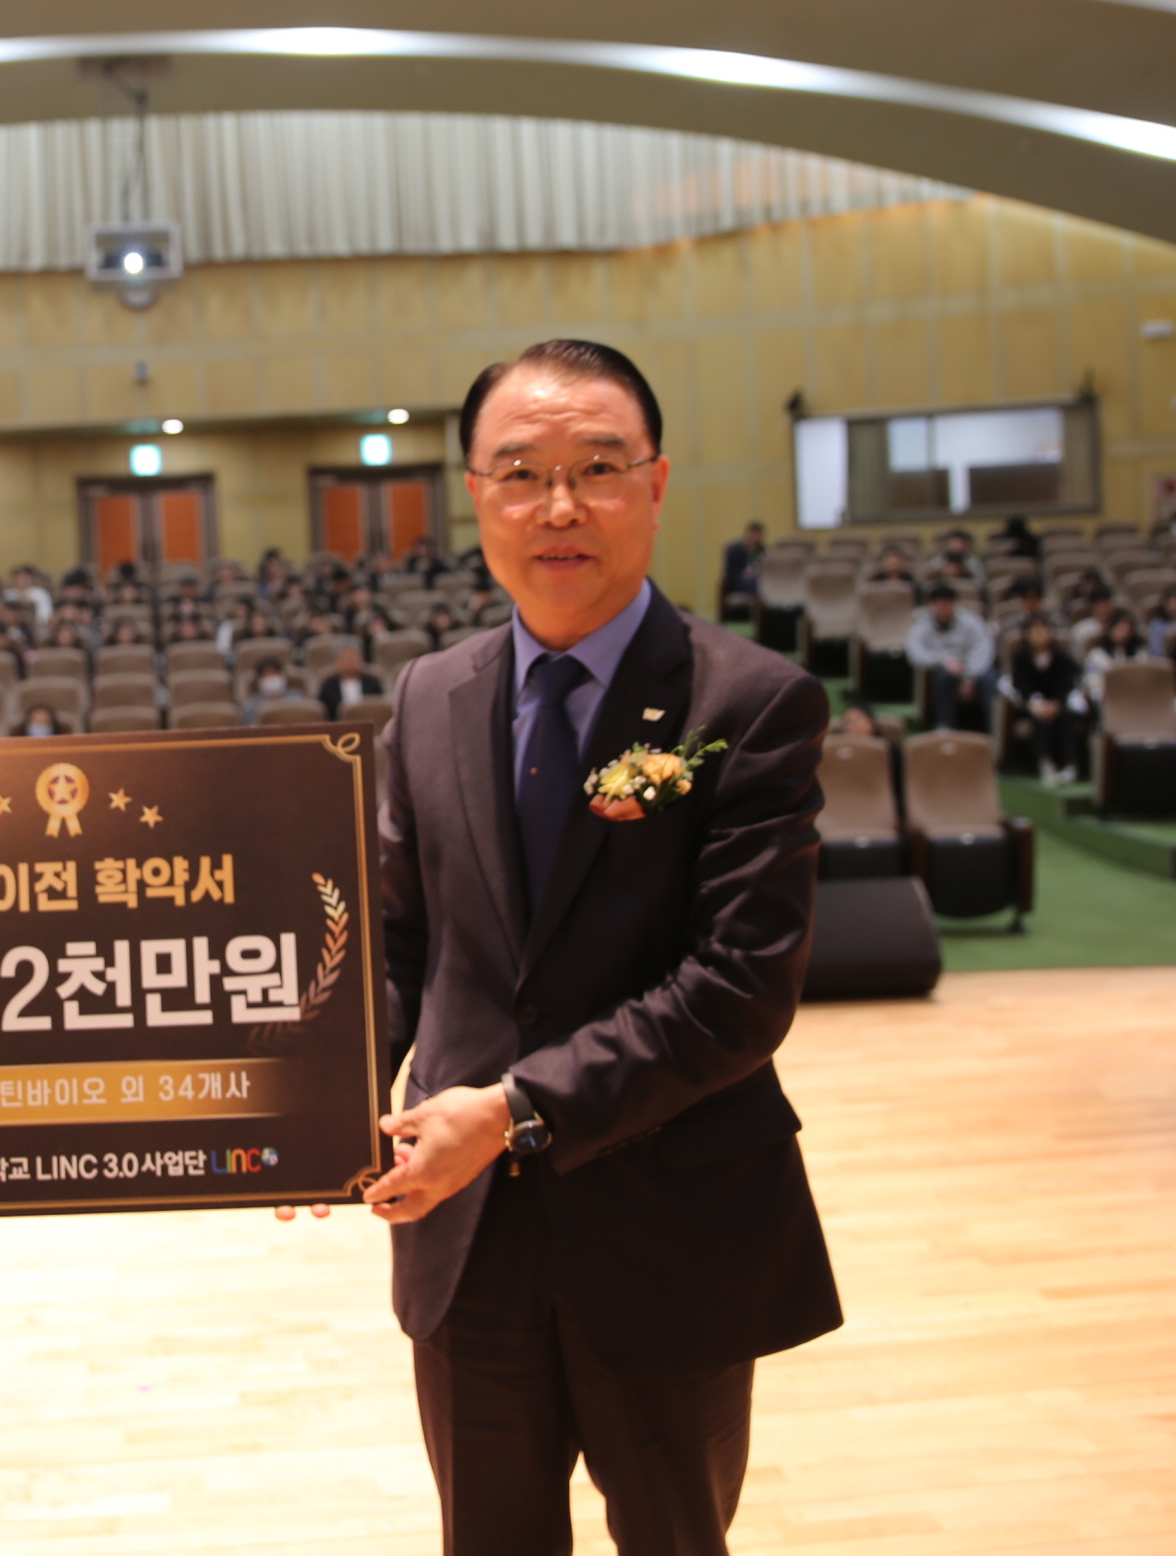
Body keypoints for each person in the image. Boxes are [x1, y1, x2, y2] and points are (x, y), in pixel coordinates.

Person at [361, 339, 839, 1556]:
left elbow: (737, 989)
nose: (558, 505)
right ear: (476, 493)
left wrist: (511, 1109)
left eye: (597, 467)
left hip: (665, 1225)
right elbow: (397, 937)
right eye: (521, 472)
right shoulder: (428, 695)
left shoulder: (750, 702)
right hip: (465, 1230)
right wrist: (315, 1100)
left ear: (656, 483)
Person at [908, 581, 997, 732]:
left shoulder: (972, 622)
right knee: (944, 677)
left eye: (946, 602)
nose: (942, 607)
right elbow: (915, 654)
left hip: (974, 668)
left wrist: (969, 677)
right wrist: (943, 660)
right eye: (937, 603)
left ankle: (993, 729)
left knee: (990, 678)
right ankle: (944, 726)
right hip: (942, 668)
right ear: (930, 605)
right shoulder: (921, 625)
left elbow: (983, 650)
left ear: (954, 603)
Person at [1006, 616, 1082, 784]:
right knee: (1039, 718)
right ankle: (1045, 763)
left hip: (1057, 704)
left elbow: (1068, 683)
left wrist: (1056, 703)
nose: (1040, 635)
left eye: (1044, 630)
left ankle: (1070, 765)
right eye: (1035, 631)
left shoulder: (1061, 657)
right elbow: (1019, 685)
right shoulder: (1021, 658)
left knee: (1066, 718)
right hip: (1032, 706)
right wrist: (1034, 703)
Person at [317, 644, 385, 719]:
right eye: (346, 657)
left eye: (353, 657)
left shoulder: (372, 683)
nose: (350, 661)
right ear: (337, 661)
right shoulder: (328, 686)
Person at [719, 521, 765, 620]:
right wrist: (744, 574)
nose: (755, 538)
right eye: (753, 534)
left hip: (758, 580)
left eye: (758, 535)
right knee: (758, 586)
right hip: (739, 583)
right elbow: (731, 573)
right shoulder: (735, 551)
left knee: (762, 584)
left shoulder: (764, 551)